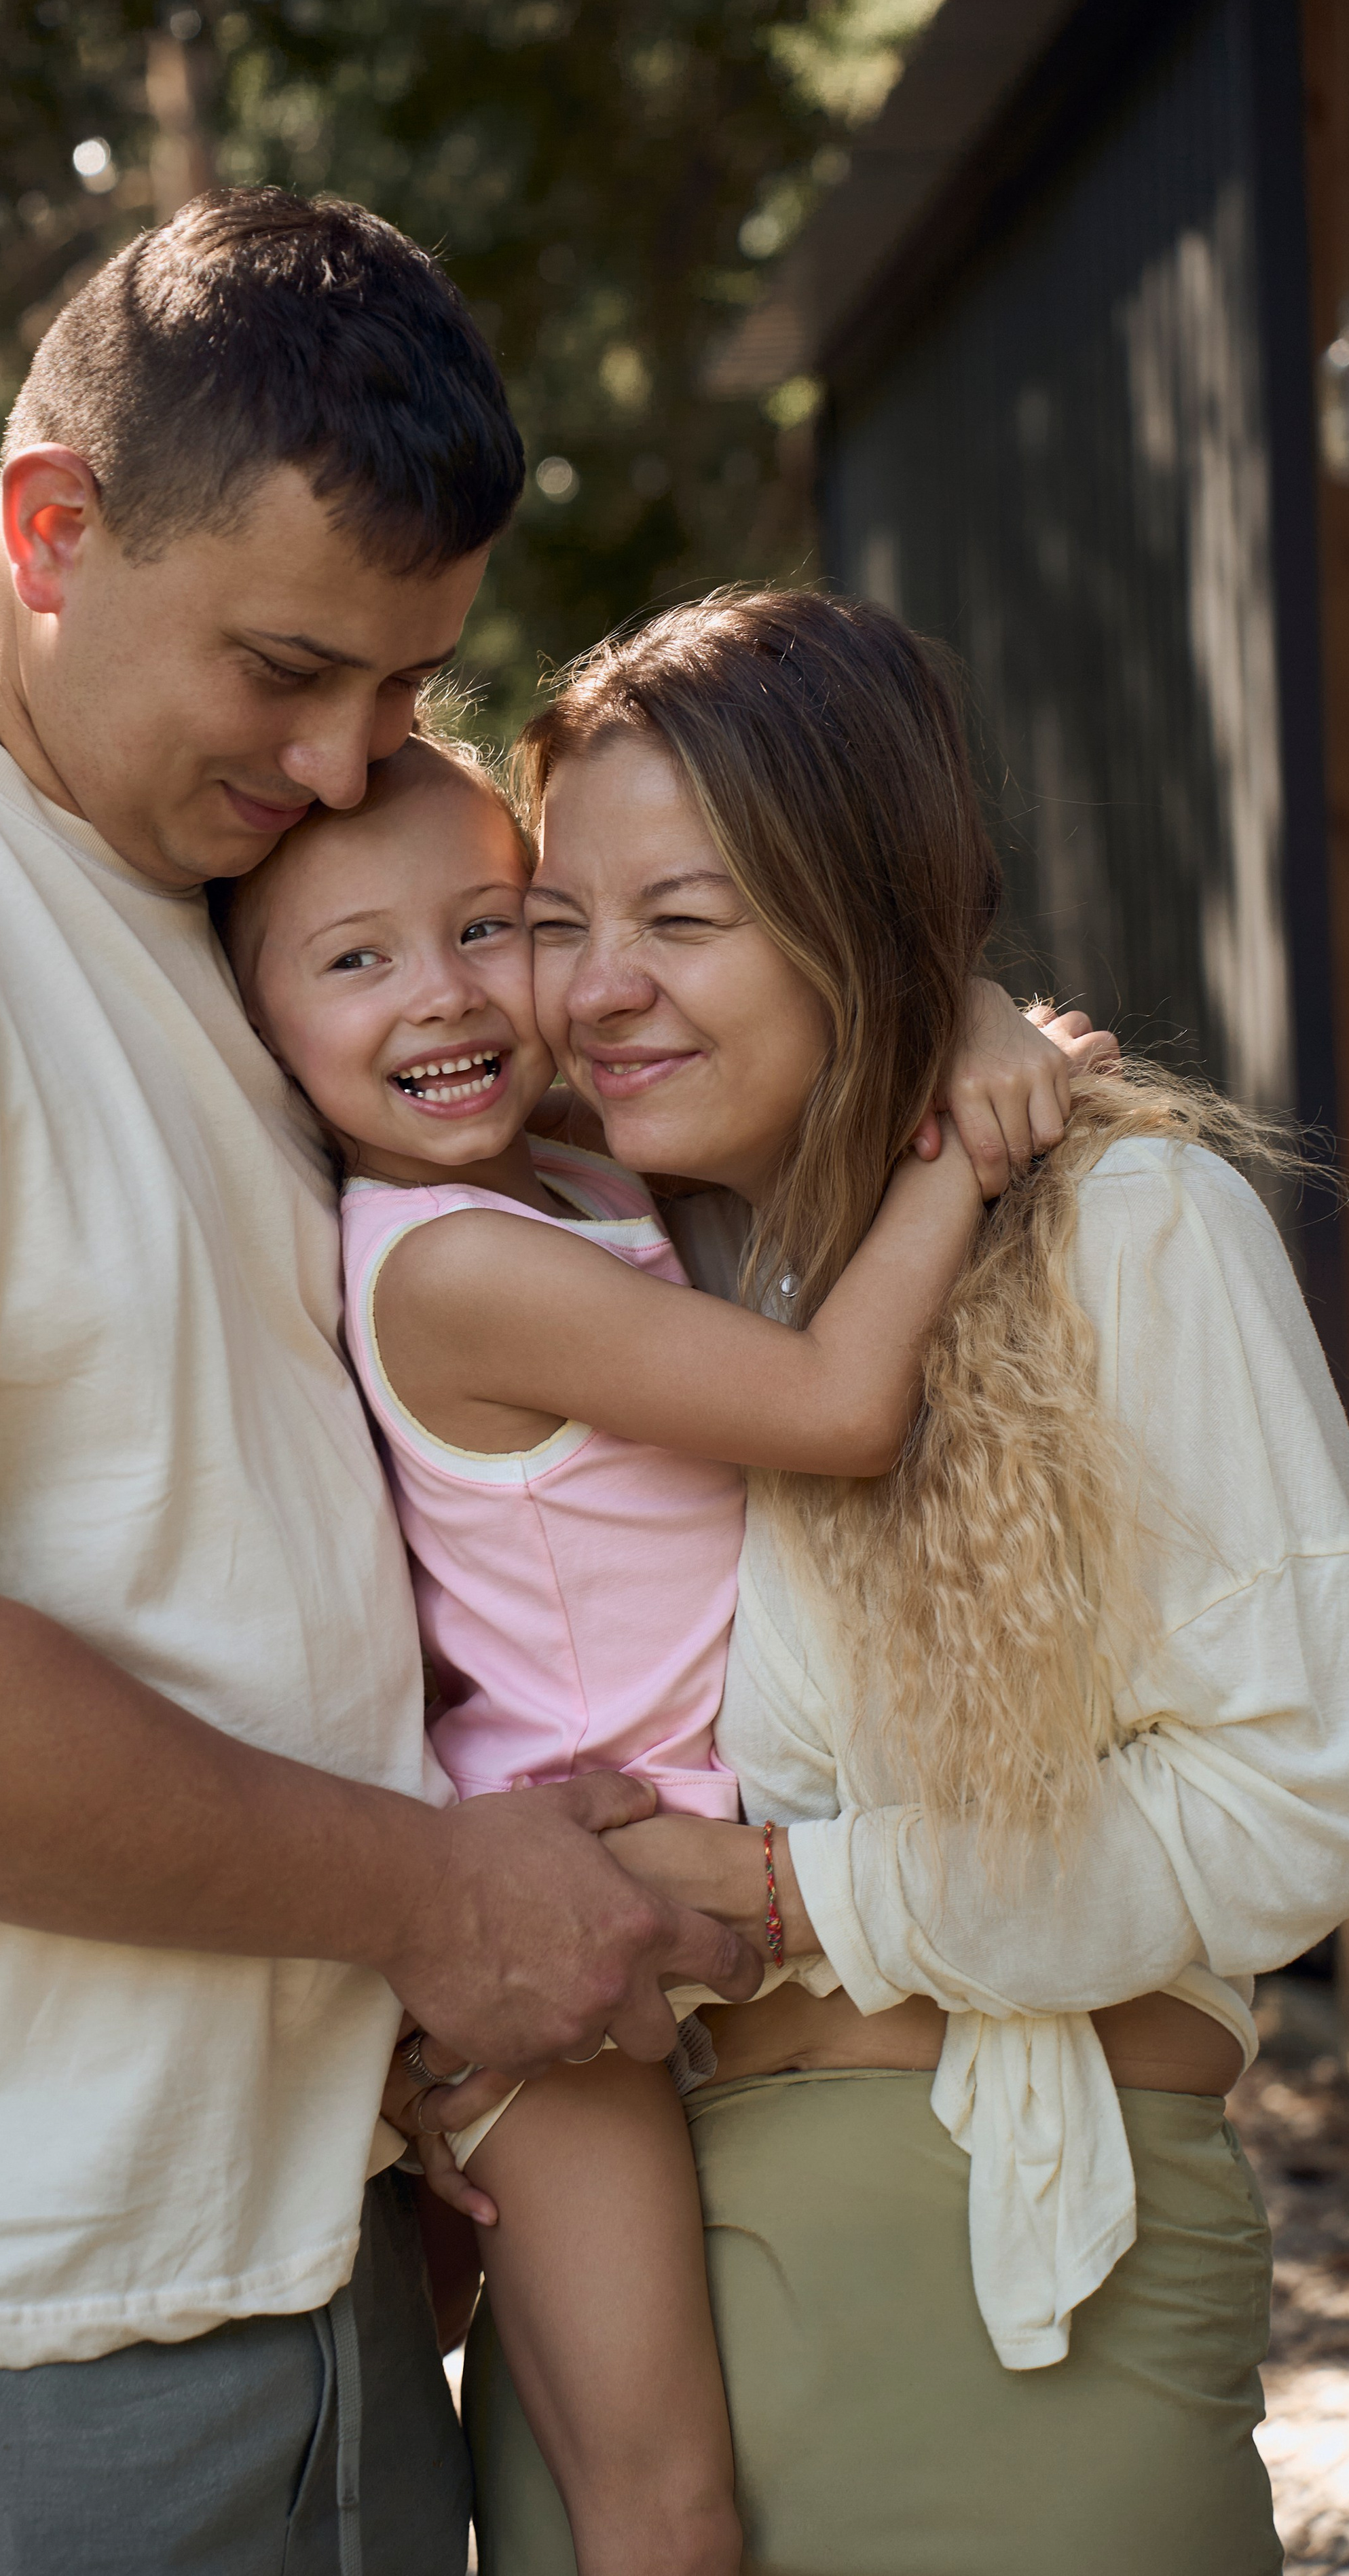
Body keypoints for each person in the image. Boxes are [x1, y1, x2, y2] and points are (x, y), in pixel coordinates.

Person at [0, 189, 780, 2575]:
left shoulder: (206, 898)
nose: (347, 754)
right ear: (52, 528)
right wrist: (438, 1894)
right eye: (287, 666)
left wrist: (942, 1023)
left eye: (401, 685)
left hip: (307, 2269)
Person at [445, 588, 1349, 2576]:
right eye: (560, 919)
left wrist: (806, 1897)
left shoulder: (1123, 1227)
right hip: (617, 2324)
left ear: (859, 917)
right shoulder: (598, 1259)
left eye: (683, 921)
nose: (600, 988)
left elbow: (1294, 1804)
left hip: (1016, 2281)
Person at [225, 729, 1031, 2576]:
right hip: (562, 1938)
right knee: (660, 2516)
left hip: (688, 1881)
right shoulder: (449, 1261)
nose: (444, 994)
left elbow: (800, 1050)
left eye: (493, 926)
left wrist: (965, 1011)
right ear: (258, 1019)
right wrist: (967, 1158)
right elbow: (834, 1408)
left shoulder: (566, 1174)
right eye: (354, 960)